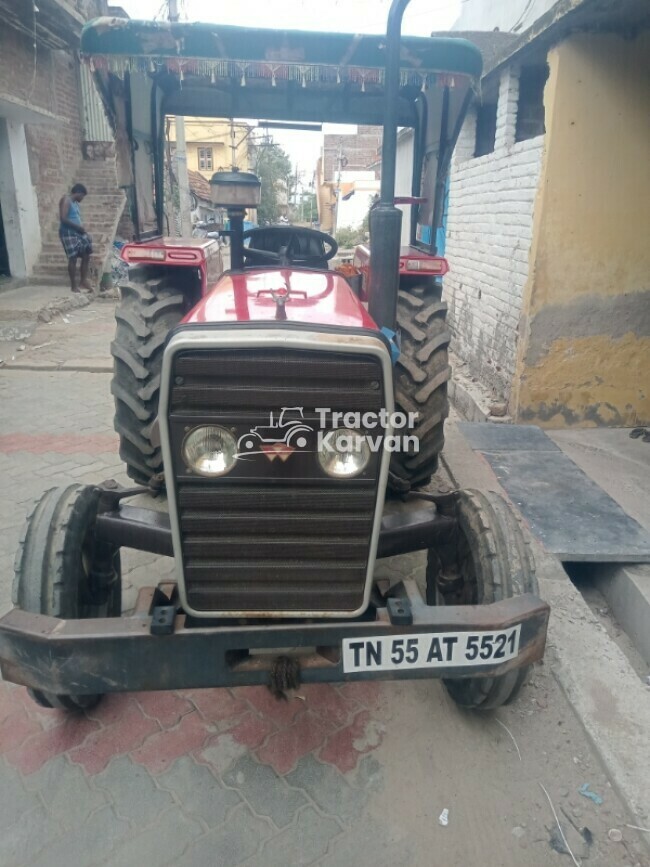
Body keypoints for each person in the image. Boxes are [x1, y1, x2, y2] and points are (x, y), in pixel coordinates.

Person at [59, 183, 94, 293]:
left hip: (78, 233)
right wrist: (78, 228)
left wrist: (85, 234)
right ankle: (74, 286)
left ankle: (83, 281)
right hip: (68, 233)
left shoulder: (76, 204)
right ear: (78, 193)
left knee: (86, 253)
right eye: (82, 196)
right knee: (72, 258)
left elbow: (76, 219)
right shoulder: (66, 200)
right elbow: (63, 218)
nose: (82, 199)